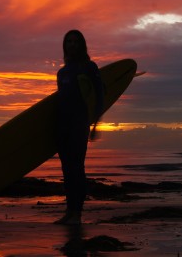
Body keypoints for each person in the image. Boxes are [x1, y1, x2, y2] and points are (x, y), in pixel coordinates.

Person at [54, 30, 104, 225]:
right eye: (69, 42)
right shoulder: (62, 72)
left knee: (76, 168)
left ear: (81, 45)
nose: (72, 45)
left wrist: (95, 124)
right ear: (65, 46)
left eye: (76, 42)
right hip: (61, 125)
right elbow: (60, 102)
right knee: (66, 169)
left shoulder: (89, 67)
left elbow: (99, 97)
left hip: (79, 124)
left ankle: (77, 213)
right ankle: (69, 211)